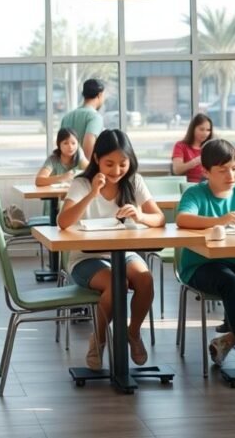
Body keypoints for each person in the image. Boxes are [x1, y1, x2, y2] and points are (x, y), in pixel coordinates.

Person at [57, 129, 162, 370]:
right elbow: (63, 222)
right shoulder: (82, 183)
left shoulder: (134, 181)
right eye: (109, 164)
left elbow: (159, 219)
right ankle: (100, 338)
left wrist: (141, 215)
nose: (116, 171)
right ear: (96, 160)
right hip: (86, 258)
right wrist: (93, 193)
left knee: (145, 279)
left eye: (123, 164)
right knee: (118, 285)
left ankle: (132, 333)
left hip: (124, 252)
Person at [175, 138, 235, 373]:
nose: (231, 175)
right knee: (231, 282)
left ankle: (230, 339)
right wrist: (219, 220)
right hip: (202, 265)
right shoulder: (196, 193)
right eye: (223, 170)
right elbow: (182, 219)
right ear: (206, 172)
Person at [60, 78, 106, 160]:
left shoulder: (67, 117)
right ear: (99, 95)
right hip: (83, 169)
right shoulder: (95, 117)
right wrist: (87, 169)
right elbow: (89, 142)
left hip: (67, 168)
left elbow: (61, 144)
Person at [172, 113, 213, 182]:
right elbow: (177, 170)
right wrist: (196, 161)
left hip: (209, 184)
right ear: (193, 129)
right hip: (189, 185)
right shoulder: (180, 146)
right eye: (201, 129)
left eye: (208, 130)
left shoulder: (211, 146)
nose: (205, 133)